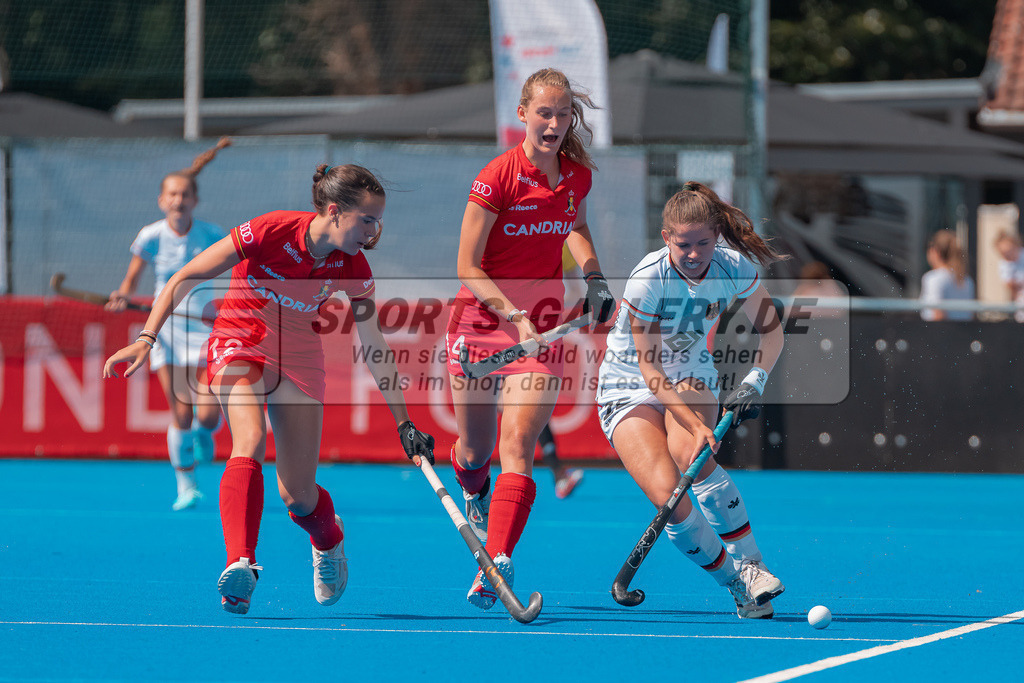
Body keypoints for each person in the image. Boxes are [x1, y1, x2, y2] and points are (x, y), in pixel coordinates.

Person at [104, 164, 436, 615]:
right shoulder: (269, 229)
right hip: (238, 343)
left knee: (297, 495)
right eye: (368, 220)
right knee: (250, 439)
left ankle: (329, 538)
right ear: (335, 212)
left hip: (299, 358)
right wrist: (146, 338)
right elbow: (185, 276)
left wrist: (404, 421)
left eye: (378, 221)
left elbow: (373, 343)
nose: (374, 233)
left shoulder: (353, 266)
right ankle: (241, 561)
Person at [445, 68, 616, 610]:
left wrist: (593, 277)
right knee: (474, 454)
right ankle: (476, 494)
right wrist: (511, 314)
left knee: (517, 446)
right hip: (480, 323)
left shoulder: (576, 176)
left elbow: (578, 227)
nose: (554, 123)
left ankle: (496, 561)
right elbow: (467, 266)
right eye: (544, 112)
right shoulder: (497, 176)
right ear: (523, 113)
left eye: (563, 114)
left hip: (540, 328)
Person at [596, 181, 787, 619]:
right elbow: (650, 372)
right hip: (628, 382)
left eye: (704, 242)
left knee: (693, 456)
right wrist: (699, 422)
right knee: (669, 497)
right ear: (666, 239)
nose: (696, 254)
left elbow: (771, 333)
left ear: (717, 235)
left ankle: (753, 566)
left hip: (689, 371)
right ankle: (735, 584)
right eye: (684, 245)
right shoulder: (648, 279)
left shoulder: (733, 267)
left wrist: (754, 380)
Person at [106, 138, 230, 511]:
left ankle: (206, 433)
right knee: (181, 412)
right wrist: (123, 295)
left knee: (207, 413)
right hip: (165, 330)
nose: (178, 200)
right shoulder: (150, 235)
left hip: (205, 327)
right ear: (162, 200)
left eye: (185, 194)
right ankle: (186, 485)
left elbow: (237, 269)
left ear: (194, 200)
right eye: (172, 194)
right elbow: (133, 278)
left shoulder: (211, 233)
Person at [919, 230, 975, 322]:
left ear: (935, 251)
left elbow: (938, 315)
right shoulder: (967, 280)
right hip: (963, 334)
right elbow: (970, 315)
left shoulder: (934, 279)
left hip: (938, 333)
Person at [994, 230, 1024, 322]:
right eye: (1004, 254)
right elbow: (1009, 284)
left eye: (1009, 251)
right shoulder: (1004, 265)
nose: (1007, 255)